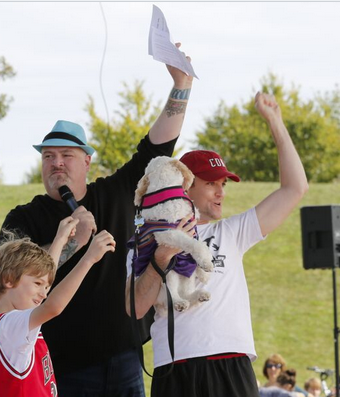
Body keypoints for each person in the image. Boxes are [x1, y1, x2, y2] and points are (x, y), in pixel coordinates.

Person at [0, 43, 194, 396]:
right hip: (59, 365)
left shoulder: (114, 193)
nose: (57, 163)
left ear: (86, 162)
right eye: (49, 156)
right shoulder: (23, 218)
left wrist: (181, 85)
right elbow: (9, 281)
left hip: (123, 358)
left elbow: (156, 149)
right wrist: (72, 243)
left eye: (67, 155)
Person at [125, 92, 309, 397]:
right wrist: (160, 258)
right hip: (175, 366)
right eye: (211, 183)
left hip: (231, 365)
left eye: (222, 184)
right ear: (185, 185)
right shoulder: (146, 238)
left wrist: (275, 121)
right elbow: (134, 308)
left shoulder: (233, 231)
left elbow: (295, 188)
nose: (220, 192)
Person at [0, 218, 116, 396]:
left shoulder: (6, 325)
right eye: (37, 284)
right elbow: (53, 306)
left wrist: (60, 240)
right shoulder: (11, 326)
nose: (44, 293)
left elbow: (45, 282)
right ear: (8, 279)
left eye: (45, 287)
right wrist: (88, 259)